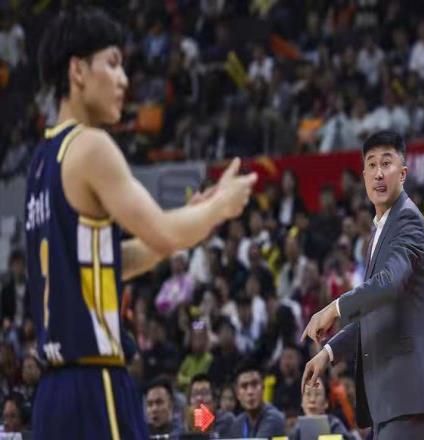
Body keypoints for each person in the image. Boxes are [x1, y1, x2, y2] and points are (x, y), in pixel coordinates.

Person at [26, 7, 256, 439]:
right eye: (112, 64)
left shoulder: (41, 160)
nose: (124, 80)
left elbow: (114, 261)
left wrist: (194, 219)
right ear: (77, 70)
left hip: (51, 394)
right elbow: (163, 233)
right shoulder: (91, 146)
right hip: (93, 381)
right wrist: (221, 207)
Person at [301, 130, 424, 439]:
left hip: (408, 397)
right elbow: (376, 314)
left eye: (387, 163)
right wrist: (328, 352)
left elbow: (388, 283)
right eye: (372, 165)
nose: (379, 173)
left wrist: (334, 308)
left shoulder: (407, 220)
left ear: (403, 173)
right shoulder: (381, 228)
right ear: (364, 176)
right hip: (391, 401)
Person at [228, 360, 286, 438]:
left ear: (263, 388)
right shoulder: (238, 424)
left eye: (254, 384)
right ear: (237, 394)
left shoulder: (274, 418)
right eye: (244, 386)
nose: (250, 392)